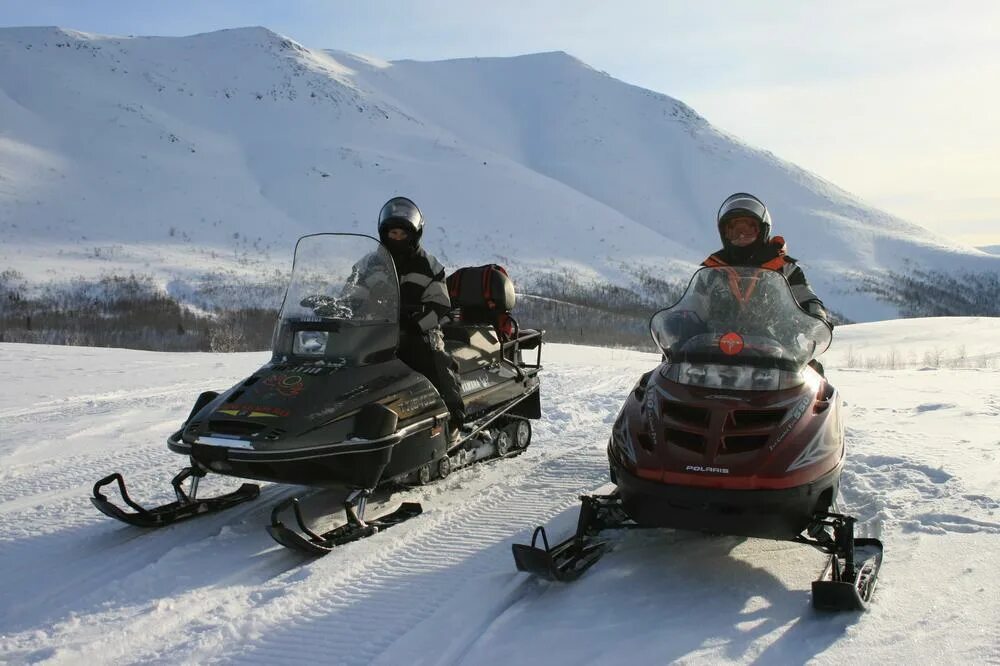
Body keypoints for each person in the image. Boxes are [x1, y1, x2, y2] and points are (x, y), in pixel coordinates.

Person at [377, 196, 466, 435]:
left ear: (413, 234)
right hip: (377, 330)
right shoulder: (372, 264)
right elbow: (355, 292)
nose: (396, 239)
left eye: (401, 234)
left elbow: (440, 304)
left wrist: (417, 321)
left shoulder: (429, 265)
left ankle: (454, 415)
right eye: (392, 234)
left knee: (433, 358)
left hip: (420, 330)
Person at [702, 193, 830, 324]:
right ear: (725, 234)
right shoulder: (712, 270)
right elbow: (693, 306)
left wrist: (817, 316)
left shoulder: (785, 268)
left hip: (777, 341)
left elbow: (806, 298)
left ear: (763, 230)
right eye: (734, 231)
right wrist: (683, 321)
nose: (741, 236)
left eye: (749, 230)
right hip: (716, 341)